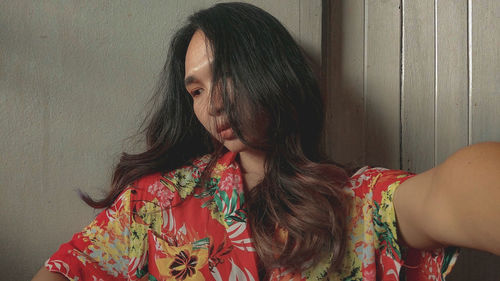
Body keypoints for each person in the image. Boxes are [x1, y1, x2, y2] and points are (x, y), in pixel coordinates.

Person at [32, 2, 500, 281]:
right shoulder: (153, 204)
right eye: (194, 90)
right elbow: (65, 269)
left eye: (225, 74)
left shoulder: (356, 200)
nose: (210, 104)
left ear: (270, 70)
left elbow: (450, 192)